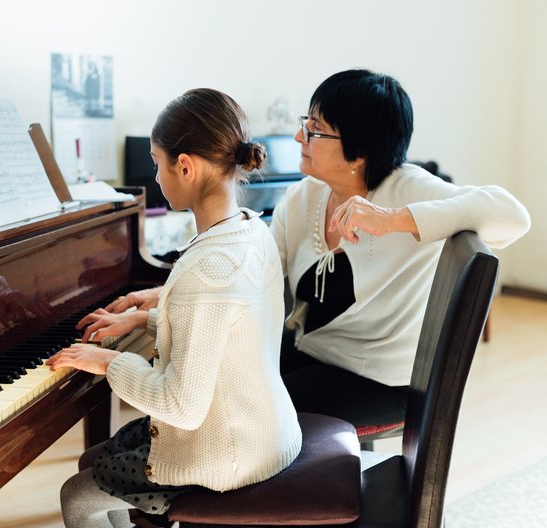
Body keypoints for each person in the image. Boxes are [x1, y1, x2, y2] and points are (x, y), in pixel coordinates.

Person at [107, 69, 530, 429]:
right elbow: (252, 278)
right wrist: (162, 298)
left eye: (314, 129)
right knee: (219, 389)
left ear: (360, 151)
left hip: (376, 378)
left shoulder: (410, 187)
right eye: (304, 122)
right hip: (309, 352)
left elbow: (512, 214)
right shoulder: (306, 195)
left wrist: (393, 218)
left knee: (235, 417)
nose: (299, 135)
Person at [46, 88, 302, 528]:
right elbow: (222, 327)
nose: (156, 176)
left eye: (156, 162)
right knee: (103, 457)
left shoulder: (203, 270)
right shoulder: (251, 231)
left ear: (186, 166)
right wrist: (141, 319)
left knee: (76, 496)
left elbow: (179, 407)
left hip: (228, 457)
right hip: (269, 430)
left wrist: (109, 362)